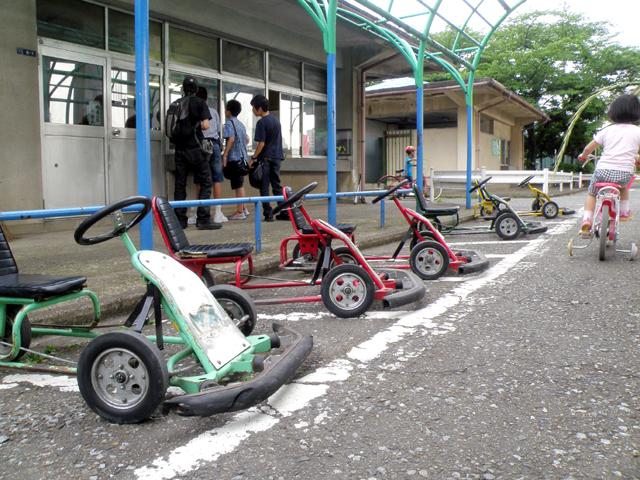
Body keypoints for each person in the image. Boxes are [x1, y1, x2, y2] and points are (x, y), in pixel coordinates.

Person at [578, 94, 640, 234]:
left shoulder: (606, 130)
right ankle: (624, 212)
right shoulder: (638, 131)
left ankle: (587, 219)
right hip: (624, 174)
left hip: (602, 172)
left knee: (592, 193)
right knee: (623, 189)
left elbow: (588, 148)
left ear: (613, 111)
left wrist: (583, 156)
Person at [170, 76, 220, 230]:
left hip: (179, 150)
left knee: (180, 185)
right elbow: (205, 125)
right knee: (205, 182)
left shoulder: (176, 103)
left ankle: (180, 220)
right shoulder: (199, 102)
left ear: (183, 89)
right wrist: (196, 122)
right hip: (196, 148)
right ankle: (203, 218)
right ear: (196, 90)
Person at [249, 94, 287, 222]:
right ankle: (284, 211)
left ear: (259, 109)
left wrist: (253, 158)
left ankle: (268, 214)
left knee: (264, 186)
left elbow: (261, 144)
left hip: (265, 158)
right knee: (277, 185)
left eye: (253, 108)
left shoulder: (261, 123)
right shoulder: (276, 121)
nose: (253, 111)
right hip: (277, 157)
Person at [196, 87, 227, 224]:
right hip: (214, 145)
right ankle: (218, 212)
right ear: (206, 98)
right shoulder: (214, 112)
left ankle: (199, 211)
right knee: (217, 179)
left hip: (201, 146)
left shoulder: (194, 111)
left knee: (199, 179)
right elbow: (218, 129)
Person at [222, 99, 250, 220]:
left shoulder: (229, 123)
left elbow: (231, 139)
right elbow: (247, 139)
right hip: (243, 158)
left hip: (234, 158)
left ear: (228, 111)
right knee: (240, 184)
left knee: (238, 185)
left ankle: (240, 212)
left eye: (226, 109)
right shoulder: (241, 124)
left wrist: (225, 154)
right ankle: (243, 208)